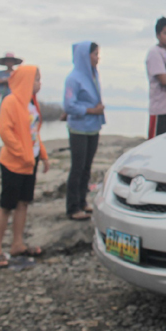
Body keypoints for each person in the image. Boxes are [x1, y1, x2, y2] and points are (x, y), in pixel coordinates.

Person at [0, 65, 49, 267]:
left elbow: (34, 133)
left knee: (23, 203)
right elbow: (5, 131)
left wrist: (43, 155)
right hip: (13, 163)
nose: (39, 84)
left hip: (30, 162)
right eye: (37, 79)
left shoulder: (31, 103)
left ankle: (17, 244)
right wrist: (22, 154)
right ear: (26, 81)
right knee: (6, 205)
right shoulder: (11, 101)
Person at [63, 41, 105, 221]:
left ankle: (82, 201)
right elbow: (69, 105)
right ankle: (72, 207)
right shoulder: (74, 78)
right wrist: (92, 110)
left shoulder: (93, 75)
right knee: (77, 168)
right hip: (79, 129)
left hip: (93, 128)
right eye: (95, 54)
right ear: (85, 56)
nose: (97, 58)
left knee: (87, 168)